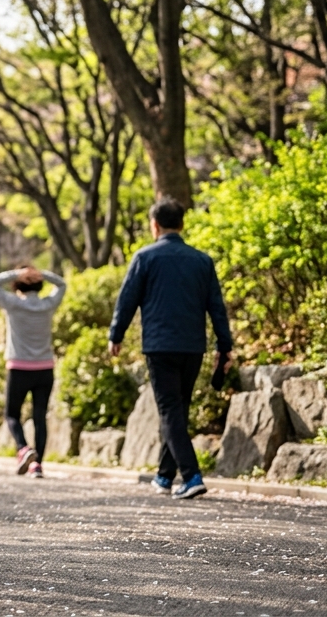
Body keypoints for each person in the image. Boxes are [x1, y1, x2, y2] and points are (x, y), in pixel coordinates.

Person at [110, 199, 233, 501]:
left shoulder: (144, 257)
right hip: (193, 346)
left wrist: (116, 334)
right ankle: (165, 476)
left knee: (169, 410)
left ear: (155, 225)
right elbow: (216, 307)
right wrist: (224, 345)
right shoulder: (202, 261)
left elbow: (127, 301)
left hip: (159, 345)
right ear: (181, 224)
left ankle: (190, 476)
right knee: (178, 409)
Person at [0, 266, 67, 478]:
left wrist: (17, 273)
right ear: (39, 284)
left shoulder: (13, 304)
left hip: (19, 368)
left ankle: (23, 448)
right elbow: (62, 284)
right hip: (45, 368)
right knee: (39, 417)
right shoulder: (47, 305)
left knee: (12, 415)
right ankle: (37, 465)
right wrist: (41, 273)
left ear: (18, 285)